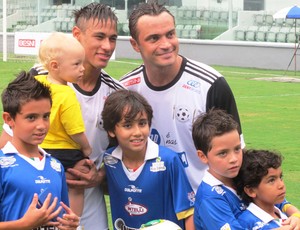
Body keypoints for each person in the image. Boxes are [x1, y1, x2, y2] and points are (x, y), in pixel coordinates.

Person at [0, 3, 123, 229]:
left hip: (86, 195)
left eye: (113, 38)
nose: (107, 46)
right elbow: (8, 133)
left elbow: (124, 152)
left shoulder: (116, 92)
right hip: (35, 190)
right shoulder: (39, 79)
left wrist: (100, 176)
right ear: (77, 35)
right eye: (99, 36)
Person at [120, 1, 244, 193]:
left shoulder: (211, 85)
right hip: (148, 205)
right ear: (135, 44)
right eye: (154, 38)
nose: (166, 44)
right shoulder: (126, 89)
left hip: (202, 207)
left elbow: (235, 156)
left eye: (170, 34)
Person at [191, 109, 300, 230]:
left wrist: (295, 215)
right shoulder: (210, 198)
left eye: (237, 149)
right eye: (223, 153)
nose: (233, 159)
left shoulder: (240, 171)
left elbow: (276, 198)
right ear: (202, 156)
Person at [101, 89, 195, 230]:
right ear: (111, 130)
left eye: (142, 123)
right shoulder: (109, 160)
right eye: (127, 125)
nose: (138, 132)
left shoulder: (169, 161)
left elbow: (188, 212)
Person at [0, 71, 79, 229]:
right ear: (9, 119)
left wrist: (70, 225)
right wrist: (23, 224)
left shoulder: (55, 166)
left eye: (46, 116)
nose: (42, 125)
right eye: (31, 117)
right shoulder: (3, 165)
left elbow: (63, 217)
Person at [36, 31, 91, 218]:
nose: (82, 68)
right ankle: (72, 220)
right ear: (55, 66)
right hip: (66, 151)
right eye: (76, 64)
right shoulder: (67, 94)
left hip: (40, 148)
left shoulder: (38, 83)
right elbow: (75, 130)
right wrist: (86, 148)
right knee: (75, 187)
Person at [235, 149, 295, 229]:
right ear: (251, 191)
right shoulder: (246, 222)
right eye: (271, 180)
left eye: (280, 177)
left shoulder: (285, 214)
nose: (281, 185)